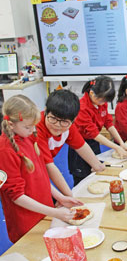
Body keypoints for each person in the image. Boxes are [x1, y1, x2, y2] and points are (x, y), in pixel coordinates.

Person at [0, 96, 79, 240]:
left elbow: (41, 176)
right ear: (11, 125)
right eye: (27, 127)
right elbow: (17, 196)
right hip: (26, 221)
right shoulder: (5, 151)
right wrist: (55, 213)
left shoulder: (28, 137)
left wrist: (59, 196)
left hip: (44, 211)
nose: (33, 130)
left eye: (34, 125)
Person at [35, 88, 107, 199]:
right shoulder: (37, 129)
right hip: (28, 169)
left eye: (64, 122)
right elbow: (49, 166)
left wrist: (97, 166)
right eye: (53, 118)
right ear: (45, 111)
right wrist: (69, 195)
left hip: (41, 166)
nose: (58, 125)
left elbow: (82, 146)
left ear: (73, 120)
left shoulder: (69, 126)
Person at [72, 76, 127, 185]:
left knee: (96, 171)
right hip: (79, 146)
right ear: (91, 93)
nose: (103, 103)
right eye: (101, 100)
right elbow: (94, 134)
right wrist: (117, 147)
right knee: (82, 178)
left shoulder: (101, 102)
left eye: (105, 101)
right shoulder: (82, 108)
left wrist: (121, 143)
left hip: (93, 142)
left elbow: (108, 123)